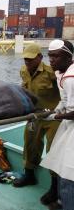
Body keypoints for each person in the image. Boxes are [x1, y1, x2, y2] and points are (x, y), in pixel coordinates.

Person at [12, 43, 61, 205]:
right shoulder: (23, 71)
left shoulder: (51, 72)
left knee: (53, 149)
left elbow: (65, 91)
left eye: (31, 59)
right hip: (34, 115)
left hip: (53, 116)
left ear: (40, 57)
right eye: (25, 58)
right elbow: (24, 90)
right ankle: (29, 175)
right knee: (30, 143)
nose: (27, 62)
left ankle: (55, 188)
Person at [41, 39, 74, 210]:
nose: (51, 60)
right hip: (68, 126)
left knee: (68, 174)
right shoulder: (62, 72)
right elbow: (66, 101)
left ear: (68, 58)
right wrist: (54, 111)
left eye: (56, 56)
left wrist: (55, 117)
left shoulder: (71, 78)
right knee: (61, 167)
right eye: (50, 56)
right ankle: (62, 202)